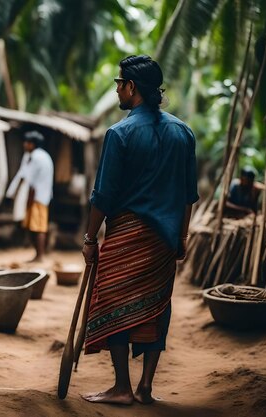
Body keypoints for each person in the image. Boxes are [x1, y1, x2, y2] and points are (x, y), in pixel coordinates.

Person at [81, 55, 198, 406]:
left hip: (126, 234)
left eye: (120, 83)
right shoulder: (183, 132)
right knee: (156, 306)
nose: (117, 88)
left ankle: (121, 387)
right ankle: (145, 386)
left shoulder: (119, 133)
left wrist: (90, 238)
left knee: (114, 301)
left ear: (132, 87)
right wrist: (182, 237)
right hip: (165, 239)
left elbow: (103, 195)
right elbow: (189, 194)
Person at [19, 131, 54, 263]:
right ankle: (38, 255)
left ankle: (40, 256)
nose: (24, 145)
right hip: (44, 196)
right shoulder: (45, 156)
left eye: (27, 142)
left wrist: (29, 200)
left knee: (38, 227)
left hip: (37, 197)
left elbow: (32, 182)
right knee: (36, 226)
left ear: (32, 144)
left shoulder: (34, 157)